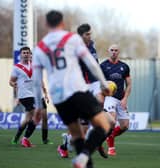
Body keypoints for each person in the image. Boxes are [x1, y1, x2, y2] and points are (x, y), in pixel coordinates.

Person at [32, 10, 115, 168]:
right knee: (104, 124)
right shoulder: (72, 39)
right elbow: (91, 63)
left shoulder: (40, 48)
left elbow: (36, 80)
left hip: (58, 98)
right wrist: (104, 83)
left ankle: (82, 160)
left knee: (77, 135)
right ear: (62, 23)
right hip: (77, 90)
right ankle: (84, 156)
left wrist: (37, 105)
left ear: (46, 24)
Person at [57, 23, 108, 159]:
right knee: (82, 129)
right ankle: (64, 145)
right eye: (87, 34)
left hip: (94, 83)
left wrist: (103, 83)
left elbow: (95, 64)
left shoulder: (92, 45)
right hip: (82, 86)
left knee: (102, 108)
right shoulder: (73, 48)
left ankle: (95, 137)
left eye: (90, 34)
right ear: (80, 36)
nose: (90, 36)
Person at [9, 47, 52, 147]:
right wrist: (13, 84)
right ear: (20, 55)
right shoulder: (17, 67)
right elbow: (11, 81)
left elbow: (40, 80)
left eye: (27, 53)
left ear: (30, 54)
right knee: (38, 115)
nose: (26, 54)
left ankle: (44, 139)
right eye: (24, 53)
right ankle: (25, 139)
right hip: (25, 95)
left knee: (39, 117)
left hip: (37, 94)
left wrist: (45, 93)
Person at [100, 44, 132, 156]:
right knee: (112, 121)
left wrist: (125, 99)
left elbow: (129, 84)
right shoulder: (103, 66)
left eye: (116, 50)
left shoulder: (124, 66)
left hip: (121, 99)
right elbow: (98, 83)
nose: (114, 52)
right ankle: (111, 148)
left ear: (119, 52)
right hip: (109, 98)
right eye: (112, 50)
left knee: (125, 126)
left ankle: (110, 136)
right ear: (108, 51)